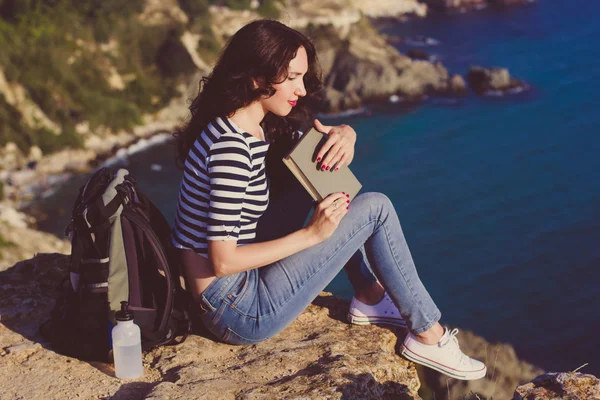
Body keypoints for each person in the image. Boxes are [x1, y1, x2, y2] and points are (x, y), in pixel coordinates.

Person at [171, 19, 486, 381]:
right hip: (237, 310)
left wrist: (345, 134)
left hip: (228, 291)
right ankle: (429, 334)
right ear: (257, 78)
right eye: (291, 78)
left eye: (302, 77)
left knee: (319, 177)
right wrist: (312, 235)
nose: (301, 89)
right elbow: (223, 261)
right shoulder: (231, 150)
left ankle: (369, 296)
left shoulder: (243, 124)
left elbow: (308, 148)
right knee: (376, 209)